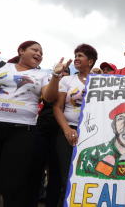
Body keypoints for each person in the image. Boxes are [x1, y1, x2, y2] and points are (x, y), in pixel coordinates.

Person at [0, 40, 70, 207]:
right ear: (21, 51)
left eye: (41, 53)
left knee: (12, 188)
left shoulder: (43, 75)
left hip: (21, 133)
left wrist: (55, 76)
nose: (39, 55)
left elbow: (49, 97)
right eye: (35, 50)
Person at [53, 43, 98, 206]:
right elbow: (57, 108)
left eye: (80, 56)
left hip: (93, 134)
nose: (76, 58)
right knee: (67, 179)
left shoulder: (102, 81)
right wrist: (66, 129)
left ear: (90, 61)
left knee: (90, 178)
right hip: (68, 133)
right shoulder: (67, 79)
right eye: (76, 55)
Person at [29, 67, 71, 207]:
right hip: (42, 129)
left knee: (56, 173)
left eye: (65, 74)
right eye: (60, 74)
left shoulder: (71, 89)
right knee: (36, 169)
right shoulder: (47, 86)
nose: (62, 77)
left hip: (60, 132)